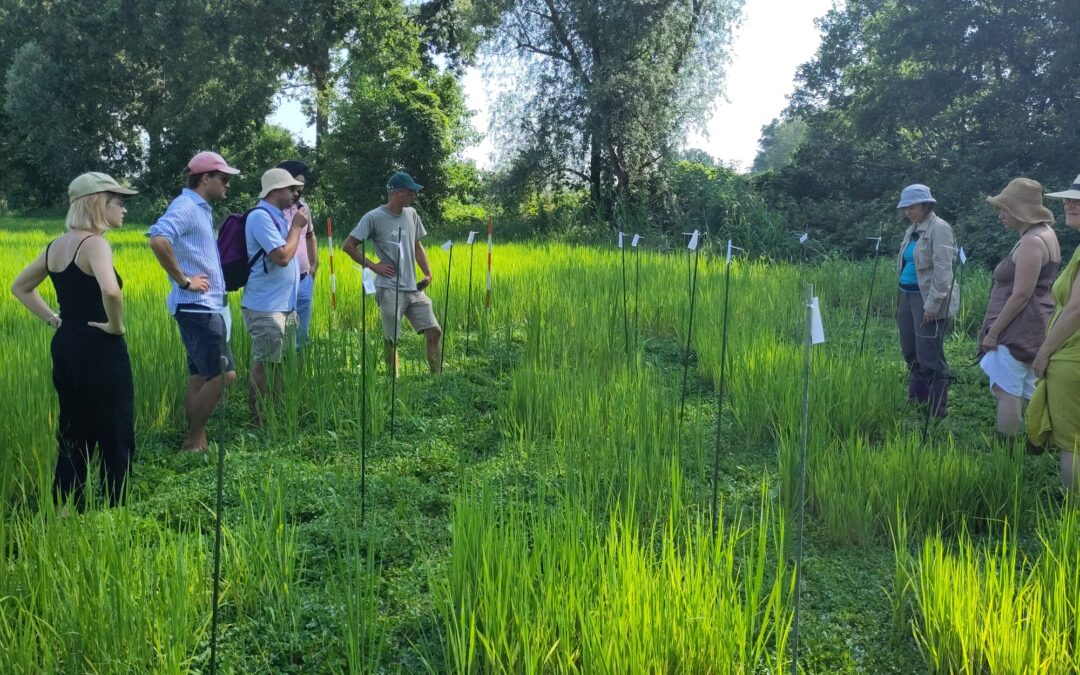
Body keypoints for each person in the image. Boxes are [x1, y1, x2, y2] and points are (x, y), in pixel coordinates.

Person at [11, 173, 138, 509]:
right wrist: (116, 326)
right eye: (118, 201)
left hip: (67, 342)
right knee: (115, 427)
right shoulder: (95, 243)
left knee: (73, 426)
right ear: (98, 203)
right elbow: (110, 290)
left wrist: (54, 320)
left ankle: (67, 505)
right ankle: (116, 508)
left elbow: (20, 287)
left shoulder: (56, 246)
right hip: (100, 343)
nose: (123, 209)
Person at [149, 151, 241, 452]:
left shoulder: (200, 208)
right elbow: (159, 238)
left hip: (203, 305)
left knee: (200, 375)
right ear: (205, 178)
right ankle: (192, 439)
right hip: (197, 306)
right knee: (224, 374)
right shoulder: (187, 205)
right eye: (223, 179)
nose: (227, 185)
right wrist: (184, 280)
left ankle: (196, 438)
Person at [977, 178, 1059, 442]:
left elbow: (1021, 294)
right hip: (1033, 323)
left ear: (1019, 211)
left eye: (1004, 209)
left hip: (1017, 329)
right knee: (1024, 388)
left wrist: (994, 332)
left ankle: (1006, 452)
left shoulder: (1032, 242)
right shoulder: (1042, 234)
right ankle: (1036, 442)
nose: (1000, 215)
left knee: (1005, 390)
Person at [343, 171, 442, 374]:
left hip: (413, 287)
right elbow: (349, 246)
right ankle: (392, 380)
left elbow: (416, 246)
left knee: (434, 331)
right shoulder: (373, 217)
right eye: (411, 192)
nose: (414, 196)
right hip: (389, 287)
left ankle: (437, 377)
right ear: (398, 193)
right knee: (392, 338)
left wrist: (428, 272)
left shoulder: (411, 214)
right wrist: (373, 266)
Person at [241, 168, 307, 425]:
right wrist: (297, 228)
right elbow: (281, 257)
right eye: (291, 189)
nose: (295, 193)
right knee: (265, 363)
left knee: (278, 363)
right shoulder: (260, 217)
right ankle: (258, 420)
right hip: (265, 306)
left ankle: (275, 413)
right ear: (275, 190)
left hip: (284, 306)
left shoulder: (276, 216)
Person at [1028, 174, 1080, 490]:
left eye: (1079, 201)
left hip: (1072, 359)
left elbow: (1075, 310)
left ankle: (1071, 521)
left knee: (1072, 443)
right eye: (1070, 198)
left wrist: (1044, 353)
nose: (1070, 204)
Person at [895, 183, 959, 418]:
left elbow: (944, 272)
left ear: (926, 204)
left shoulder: (940, 228)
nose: (908, 212)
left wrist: (932, 305)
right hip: (907, 294)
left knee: (929, 354)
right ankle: (916, 398)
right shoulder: (913, 228)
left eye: (912, 206)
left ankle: (937, 410)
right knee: (910, 349)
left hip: (928, 299)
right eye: (905, 207)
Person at [277, 160, 318, 350]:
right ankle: (281, 377)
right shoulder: (271, 211)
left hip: (304, 280)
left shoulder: (303, 207)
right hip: (281, 283)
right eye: (296, 183)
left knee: (301, 337)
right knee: (281, 338)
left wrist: (314, 266)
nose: (300, 189)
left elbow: (310, 235)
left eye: (302, 184)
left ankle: (297, 378)